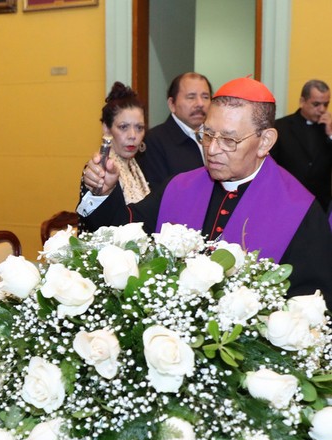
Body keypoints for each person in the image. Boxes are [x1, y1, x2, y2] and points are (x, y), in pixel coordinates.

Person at [77, 77, 332, 305]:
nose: (212, 150)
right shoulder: (179, 187)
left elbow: (311, 304)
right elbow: (123, 233)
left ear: (265, 141)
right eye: (207, 135)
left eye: (229, 140)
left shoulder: (299, 211)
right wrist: (103, 193)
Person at [137, 72, 212, 189]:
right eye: (191, 97)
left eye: (205, 97)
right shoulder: (154, 140)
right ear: (172, 104)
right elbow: (159, 191)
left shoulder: (216, 137)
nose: (200, 103)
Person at [270, 79, 332, 210]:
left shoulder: (329, 128)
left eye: (326, 104)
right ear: (302, 101)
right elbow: (270, 166)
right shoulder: (281, 127)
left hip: (320, 204)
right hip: (287, 201)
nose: (322, 109)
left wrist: (331, 135)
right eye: (316, 104)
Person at [85, 82, 150, 205]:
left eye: (139, 128)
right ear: (107, 129)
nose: (132, 135)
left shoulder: (139, 164)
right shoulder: (98, 169)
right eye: (123, 127)